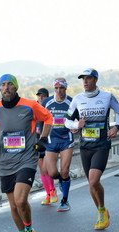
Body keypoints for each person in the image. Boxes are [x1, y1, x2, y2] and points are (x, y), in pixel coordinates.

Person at [0, 74, 53, 232]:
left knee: (20, 200)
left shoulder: (30, 105)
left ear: (16, 88)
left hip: (27, 158)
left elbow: (48, 118)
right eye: (3, 85)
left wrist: (43, 139)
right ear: (0, 88)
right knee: (13, 206)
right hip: (6, 161)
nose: (6, 87)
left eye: (10, 84)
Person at [65, 68, 119, 230]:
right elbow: (66, 121)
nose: (85, 81)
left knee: (93, 180)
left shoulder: (107, 97)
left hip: (102, 145)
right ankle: (102, 211)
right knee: (91, 184)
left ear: (95, 80)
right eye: (83, 79)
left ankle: (101, 212)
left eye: (88, 78)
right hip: (85, 146)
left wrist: (116, 127)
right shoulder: (77, 99)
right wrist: (77, 124)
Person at [42, 78, 73, 211]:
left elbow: (77, 118)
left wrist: (76, 126)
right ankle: (62, 180)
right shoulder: (47, 102)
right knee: (53, 173)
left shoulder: (71, 102)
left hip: (67, 139)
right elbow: (40, 119)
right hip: (51, 140)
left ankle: (65, 201)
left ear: (66, 88)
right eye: (56, 88)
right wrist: (40, 136)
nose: (59, 91)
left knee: (64, 171)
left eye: (62, 88)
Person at [35, 88, 58, 206]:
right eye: (39, 96)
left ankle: (53, 190)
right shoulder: (34, 109)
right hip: (37, 141)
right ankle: (48, 194)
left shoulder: (48, 109)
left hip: (48, 140)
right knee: (42, 170)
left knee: (47, 169)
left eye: (43, 96)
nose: (40, 98)